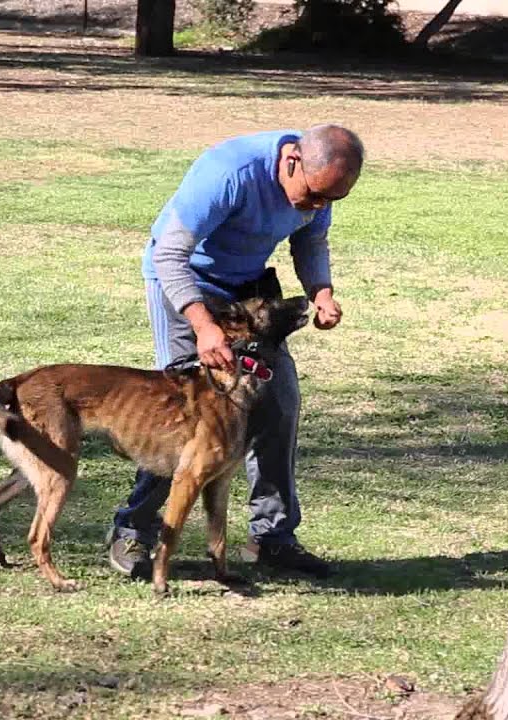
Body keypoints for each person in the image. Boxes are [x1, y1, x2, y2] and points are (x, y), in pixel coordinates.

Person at [107, 124, 364, 580]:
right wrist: (203, 327)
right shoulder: (230, 172)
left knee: (278, 404)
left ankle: (273, 538)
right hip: (186, 283)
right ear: (291, 162)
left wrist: (321, 292)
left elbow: (310, 241)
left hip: (248, 292)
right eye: (313, 195)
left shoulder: (320, 182)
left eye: (330, 201)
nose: (317, 207)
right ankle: (134, 531)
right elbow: (168, 253)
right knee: (185, 416)